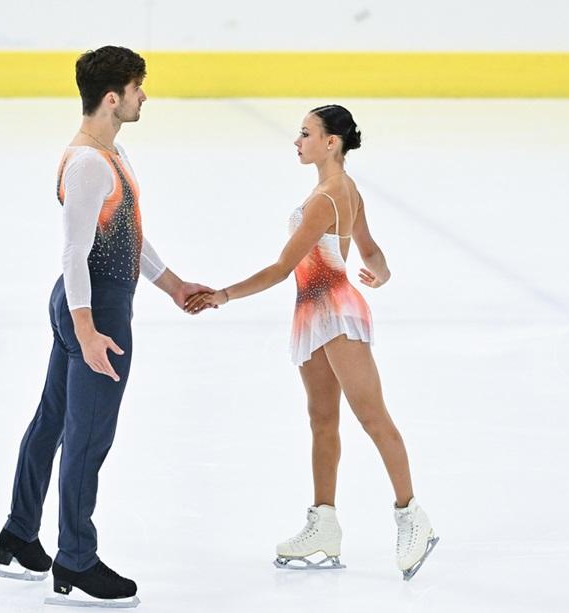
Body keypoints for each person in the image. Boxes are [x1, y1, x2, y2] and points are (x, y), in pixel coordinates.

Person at [0, 46, 212, 605]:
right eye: (138, 89)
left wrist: (174, 284)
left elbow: (127, 235)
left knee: (53, 422)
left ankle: (18, 534)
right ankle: (76, 561)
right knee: (86, 439)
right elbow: (74, 252)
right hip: (97, 312)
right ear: (113, 97)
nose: (143, 98)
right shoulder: (89, 163)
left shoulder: (110, 153)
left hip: (85, 305)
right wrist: (87, 332)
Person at [185, 105, 439, 580]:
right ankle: (324, 522)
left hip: (336, 314)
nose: (297, 141)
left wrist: (223, 294)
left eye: (306, 133)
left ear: (331, 142)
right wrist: (380, 273)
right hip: (314, 314)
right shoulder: (343, 190)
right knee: (322, 420)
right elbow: (371, 250)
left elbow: (282, 268)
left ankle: (412, 517)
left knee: (372, 417)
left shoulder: (327, 196)